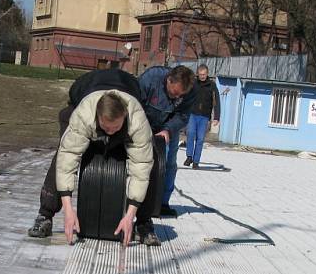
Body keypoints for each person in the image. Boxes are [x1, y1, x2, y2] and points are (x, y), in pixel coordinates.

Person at [28, 69, 158, 246]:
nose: (111, 132)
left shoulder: (137, 120)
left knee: (152, 159)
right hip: (86, 92)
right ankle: (45, 214)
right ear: (97, 118)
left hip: (127, 89)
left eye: (116, 127)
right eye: (106, 128)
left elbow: (141, 167)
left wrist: (130, 215)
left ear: (125, 116)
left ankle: (144, 224)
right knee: (62, 153)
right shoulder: (84, 115)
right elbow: (68, 160)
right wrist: (68, 210)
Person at [137, 65, 197, 219]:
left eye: (180, 95)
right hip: (145, 121)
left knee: (168, 163)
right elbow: (135, 103)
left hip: (168, 126)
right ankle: (135, 198)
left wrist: (168, 129)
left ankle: (162, 203)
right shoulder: (151, 78)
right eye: (174, 93)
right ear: (168, 80)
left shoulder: (190, 91)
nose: (177, 98)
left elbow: (183, 116)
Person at [184, 64, 220, 169]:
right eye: (200, 74)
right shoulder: (193, 84)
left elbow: (216, 101)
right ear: (197, 74)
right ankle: (189, 156)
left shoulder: (212, 85)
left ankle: (196, 161)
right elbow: (186, 97)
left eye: (204, 74)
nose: (202, 76)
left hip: (204, 116)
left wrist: (217, 117)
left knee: (200, 139)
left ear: (207, 74)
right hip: (192, 114)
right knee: (190, 133)